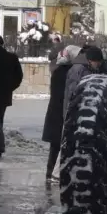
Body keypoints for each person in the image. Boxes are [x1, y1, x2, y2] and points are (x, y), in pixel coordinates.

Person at [43, 44, 83, 181]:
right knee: (62, 144)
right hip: (62, 111)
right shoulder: (71, 72)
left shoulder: (57, 70)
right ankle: (57, 173)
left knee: (55, 146)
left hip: (54, 112)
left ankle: (50, 172)